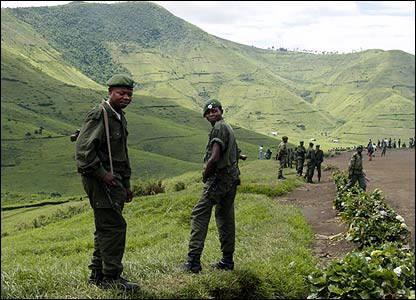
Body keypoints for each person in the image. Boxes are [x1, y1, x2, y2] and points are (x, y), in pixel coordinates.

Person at [75, 74, 139, 291]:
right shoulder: (99, 114)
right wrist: (103, 175)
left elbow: (123, 154)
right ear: (110, 91)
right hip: (100, 181)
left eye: (129, 94)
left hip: (116, 182)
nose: (126, 97)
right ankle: (111, 278)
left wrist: (127, 183)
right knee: (114, 227)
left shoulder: (119, 116)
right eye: (121, 93)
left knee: (105, 227)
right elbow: (84, 152)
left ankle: (97, 275)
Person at [183, 99, 247, 273]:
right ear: (205, 116)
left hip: (219, 179)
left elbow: (215, 157)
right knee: (225, 217)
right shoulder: (227, 127)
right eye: (209, 112)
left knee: (199, 214)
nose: (212, 114)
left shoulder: (218, 128)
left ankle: (193, 262)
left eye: (215, 111)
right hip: (232, 179)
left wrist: (205, 175)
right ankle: (227, 261)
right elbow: (235, 151)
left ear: (221, 111)